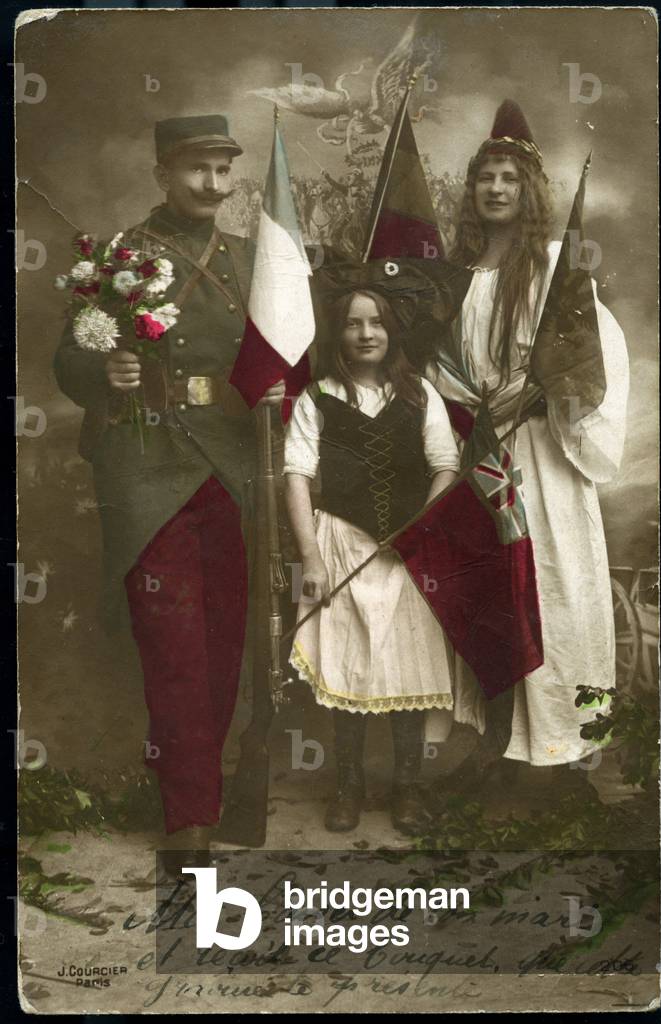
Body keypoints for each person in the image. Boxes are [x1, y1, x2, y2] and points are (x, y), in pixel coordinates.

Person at [53, 115, 284, 874]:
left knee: (224, 642)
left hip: (231, 462)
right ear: (161, 172)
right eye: (196, 169)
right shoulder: (118, 257)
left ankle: (201, 791)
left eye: (224, 170)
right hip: (146, 462)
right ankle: (189, 822)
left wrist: (280, 381)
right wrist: (103, 373)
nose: (213, 185)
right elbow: (69, 357)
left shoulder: (251, 260)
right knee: (175, 644)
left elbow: (286, 350)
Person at [423, 100, 629, 788]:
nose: (497, 189)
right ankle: (500, 748)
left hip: (544, 451)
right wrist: (467, 404)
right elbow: (439, 367)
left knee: (555, 587)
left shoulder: (554, 270)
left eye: (510, 178)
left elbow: (592, 358)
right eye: (486, 177)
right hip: (484, 448)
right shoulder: (461, 275)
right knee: (493, 591)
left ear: (530, 190)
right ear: (473, 190)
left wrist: (538, 390)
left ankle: (569, 752)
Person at [284, 262, 460, 834]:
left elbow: (445, 466)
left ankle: (407, 787)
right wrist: (310, 558)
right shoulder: (318, 397)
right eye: (354, 324)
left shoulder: (420, 393)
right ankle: (348, 785)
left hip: (406, 557)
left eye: (377, 323)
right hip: (340, 545)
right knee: (351, 669)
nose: (366, 334)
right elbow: (295, 476)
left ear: (392, 332)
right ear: (338, 334)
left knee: (404, 670)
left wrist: (421, 528)